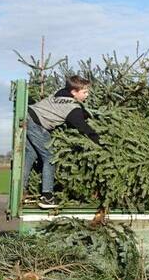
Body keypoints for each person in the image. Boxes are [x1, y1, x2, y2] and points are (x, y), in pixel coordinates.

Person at [23, 75, 99, 209]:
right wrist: (99, 142)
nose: (87, 95)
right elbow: (83, 128)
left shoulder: (60, 94)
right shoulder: (72, 107)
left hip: (27, 115)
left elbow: (73, 113)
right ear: (74, 92)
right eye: (85, 92)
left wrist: (84, 114)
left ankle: (21, 190)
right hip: (37, 124)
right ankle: (47, 197)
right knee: (51, 158)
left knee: (31, 155)